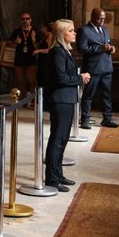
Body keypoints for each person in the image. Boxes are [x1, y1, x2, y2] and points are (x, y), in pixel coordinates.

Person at [45, 19, 91, 192]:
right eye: (71, 31)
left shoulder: (64, 51)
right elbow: (60, 78)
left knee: (62, 139)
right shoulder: (57, 52)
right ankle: (51, 178)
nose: (75, 33)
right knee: (57, 139)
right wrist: (80, 78)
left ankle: (58, 173)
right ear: (61, 34)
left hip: (67, 99)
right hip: (60, 101)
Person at [76, 8, 118, 129]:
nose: (102, 21)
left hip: (107, 68)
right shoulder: (84, 30)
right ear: (93, 17)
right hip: (92, 69)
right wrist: (100, 48)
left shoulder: (105, 29)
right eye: (100, 18)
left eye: (104, 18)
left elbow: (107, 44)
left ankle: (107, 119)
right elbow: (82, 49)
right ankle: (85, 119)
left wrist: (111, 48)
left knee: (107, 95)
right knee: (89, 95)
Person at [9, 13, 40, 102]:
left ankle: (34, 100)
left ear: (31, 20)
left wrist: (34, 40)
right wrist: (15, 42)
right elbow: (8, 43)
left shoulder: (35, 31)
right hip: (19, 59)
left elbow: (40, 46)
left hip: (32, 60)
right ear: (21, 20)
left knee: (32, 81)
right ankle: (23, 101)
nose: (25, 20)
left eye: (27, 18)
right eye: (23, 19)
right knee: (21, 82)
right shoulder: (17, 31)